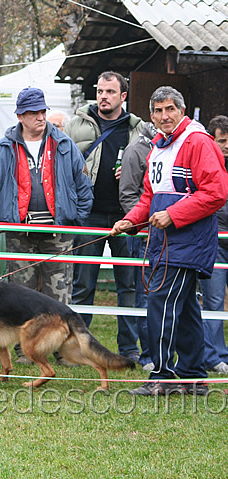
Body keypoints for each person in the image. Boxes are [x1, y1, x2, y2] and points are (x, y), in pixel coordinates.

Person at [111, 86, 228, 396]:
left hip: (186, 243)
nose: (165, 116)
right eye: (159, 111)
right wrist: (131, 220)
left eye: (170, 109)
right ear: (151, 116)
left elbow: (216, 193)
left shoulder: (198, 142)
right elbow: (149, 197)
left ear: (181, 110)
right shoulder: (158, 148)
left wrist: (174, 215)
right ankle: (192, 375)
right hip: (166, 242)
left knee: (160, 304)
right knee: (186, 308)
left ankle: (162, 376)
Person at [0, 87, 93, 364]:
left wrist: (73, 217)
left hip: (59, 231)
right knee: (21, 294)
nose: (40, 117)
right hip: (20, 232)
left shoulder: (65, 145)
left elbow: (83, 184)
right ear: (20, 116)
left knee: (59, 291)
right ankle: (25, 350)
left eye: (42, 111)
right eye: (33, 113)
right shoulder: (3, 147)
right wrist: (2, 215)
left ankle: (64, 351)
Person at [65, 71, 144, 362]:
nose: (103, 96)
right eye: (100, 91)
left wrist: (137, 171)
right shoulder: (76, 124)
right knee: (83, 284)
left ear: (123, 96)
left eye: (110, 92)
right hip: (88, 215)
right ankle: (78, 348)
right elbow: (62, 164)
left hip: (127, 217)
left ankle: (129, 349)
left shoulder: (139, 129)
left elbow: (152, 165)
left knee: (129, 285)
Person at [119, 121, 158, 371]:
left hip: (170, 234)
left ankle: (161, 353)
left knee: (157, 296)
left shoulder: (171, 147)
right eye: (159, 112)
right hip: (145, 234)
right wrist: (143, 225)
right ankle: (148, 356)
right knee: (143, 296)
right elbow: (129, 195)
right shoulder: (136, 150)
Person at [199, 115, 228, 374]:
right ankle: (214, 356)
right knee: (214, 299)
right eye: (223, 141)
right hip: (215, 240)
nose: (227, 146)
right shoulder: (205, 163)